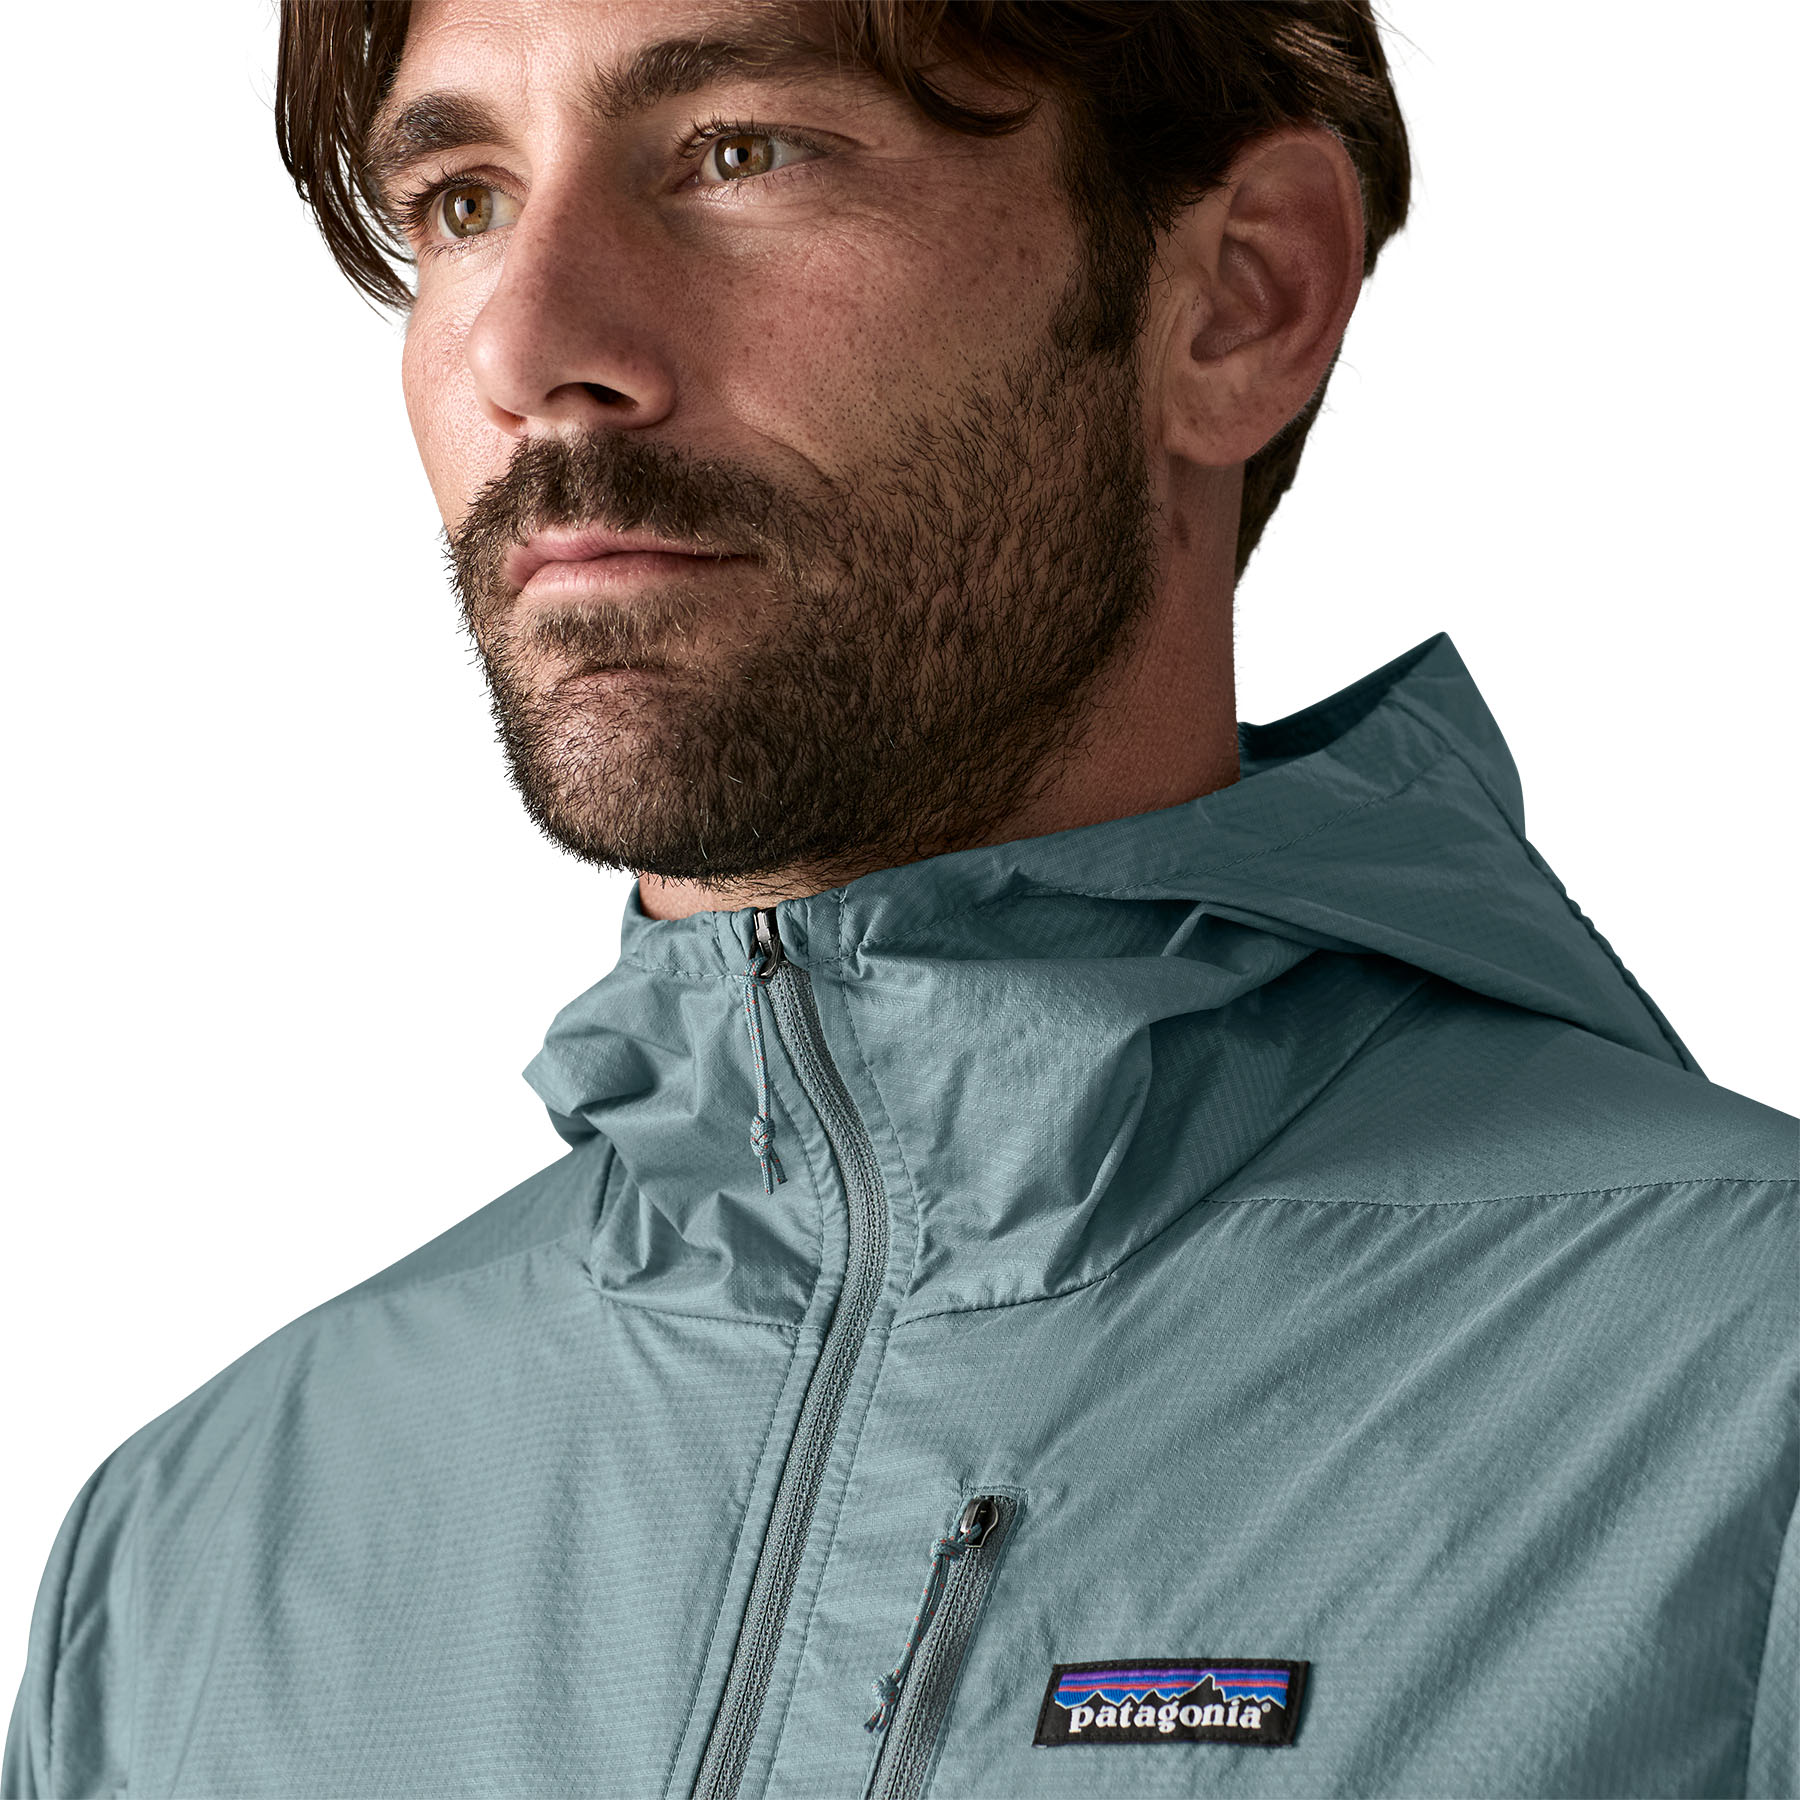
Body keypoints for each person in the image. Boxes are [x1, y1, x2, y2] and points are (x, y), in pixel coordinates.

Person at [6, 2, 1794, 1795]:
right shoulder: (190, 1571)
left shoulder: (1741, 1411)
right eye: (464, 200)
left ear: (1240, 298)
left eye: (741, 153)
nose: (528, 348)